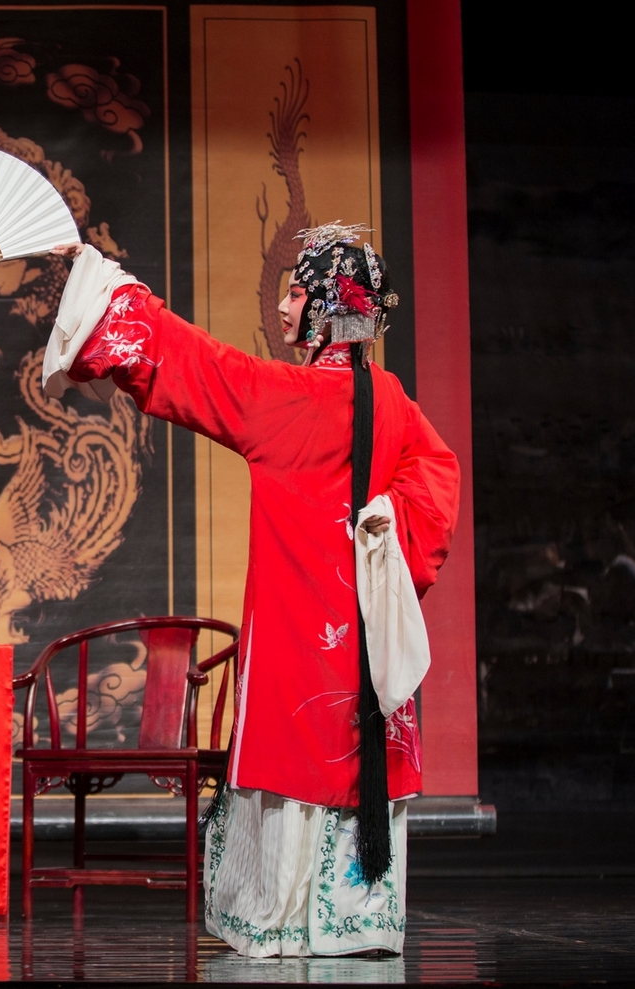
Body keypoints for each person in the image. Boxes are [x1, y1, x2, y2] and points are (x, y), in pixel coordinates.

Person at [44, 225, 459, 956]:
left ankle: (283, 922)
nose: (286, 306)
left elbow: (196, 365)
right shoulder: (392, 400)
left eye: (298, 294)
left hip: (302, 627)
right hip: (362, 626)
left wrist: (99, 279)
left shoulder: (291, 397)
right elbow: (439, 478)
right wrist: (386, 525)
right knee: (353, 745)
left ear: (326, 310)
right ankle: (353, 923)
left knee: (295, 744)